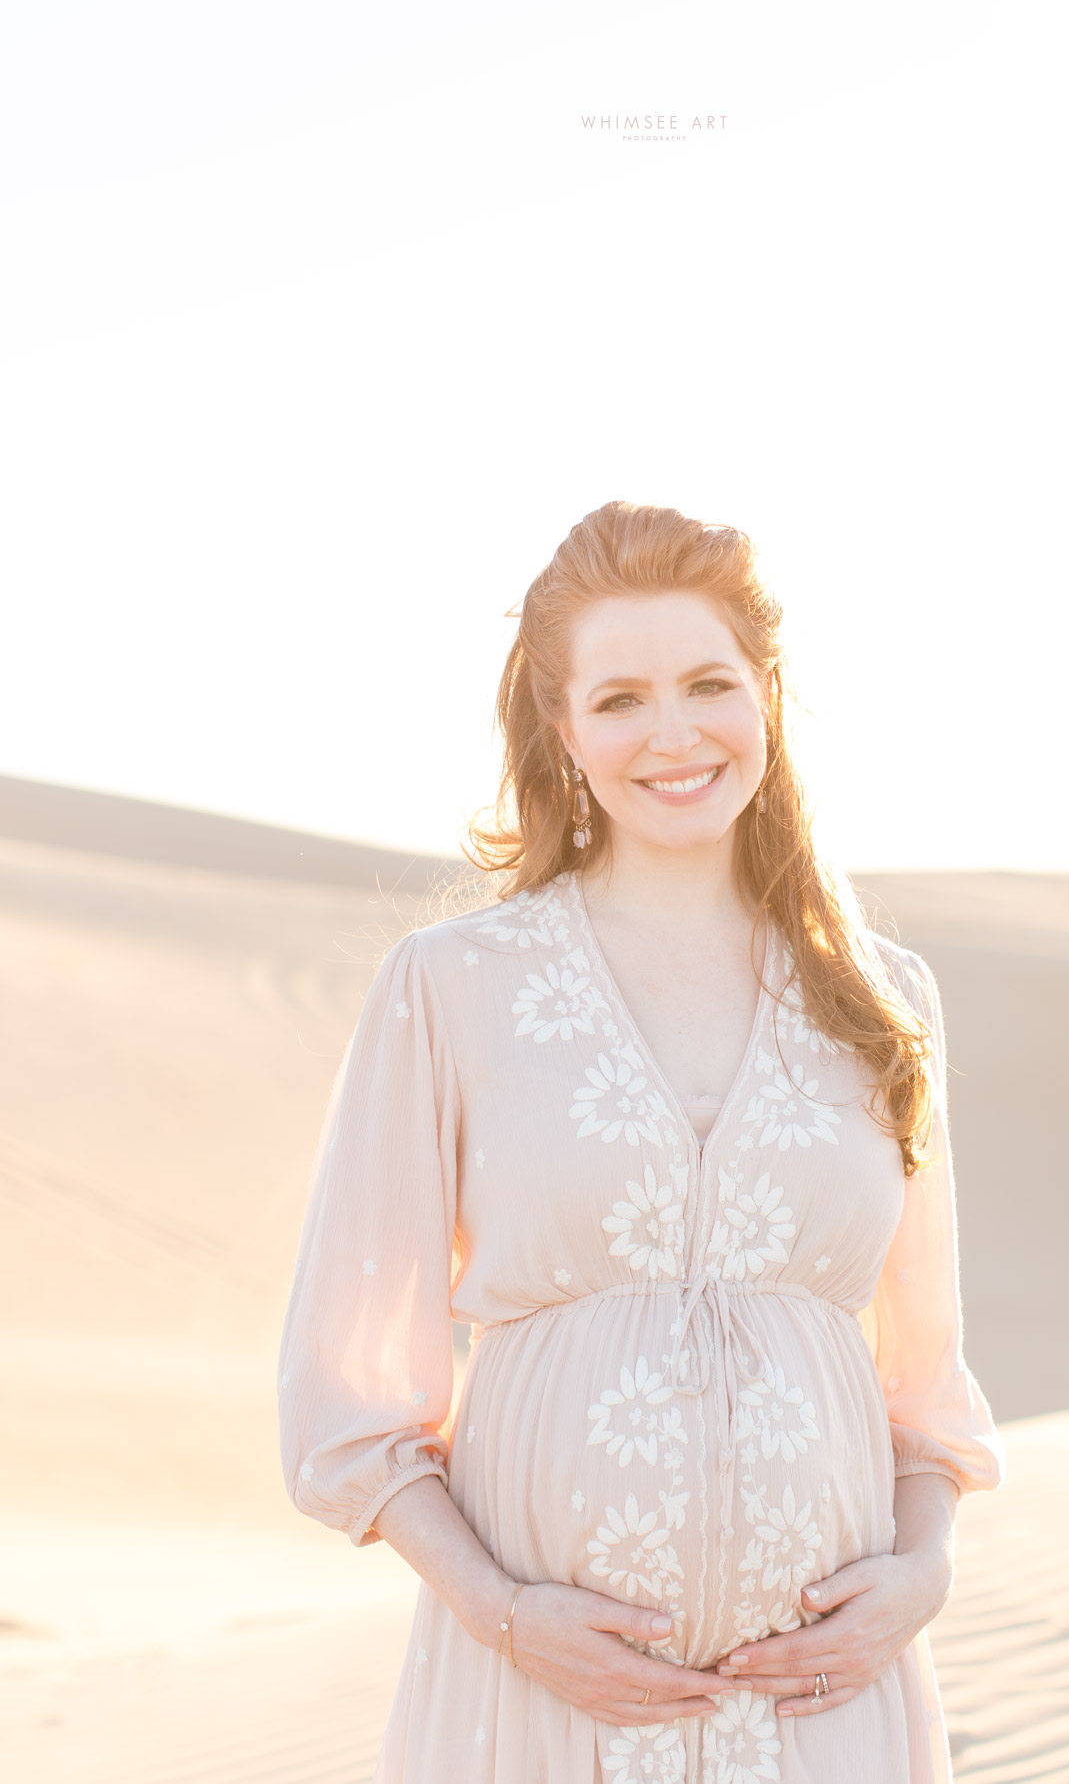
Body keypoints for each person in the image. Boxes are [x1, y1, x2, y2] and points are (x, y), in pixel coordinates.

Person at [278, 500, 1005, 1784]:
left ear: (766, 696)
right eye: (619, 698)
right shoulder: (451, 986)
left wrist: (921, 1576)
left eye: (707, 683)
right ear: (563, 729)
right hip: (539, 1707)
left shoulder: (885, 998)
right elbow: (352, 1407)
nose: (673, 733)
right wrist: (504, 1616)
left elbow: (927, 1397)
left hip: (830, 1711)